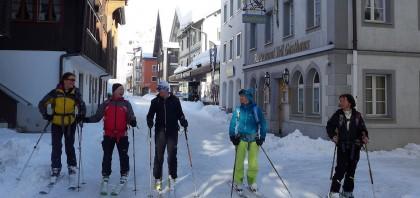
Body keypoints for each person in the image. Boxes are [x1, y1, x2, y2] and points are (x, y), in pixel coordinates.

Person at [84, 83, 137, 187]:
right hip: (108, 134)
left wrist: (132, 121)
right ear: (114, 91)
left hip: (122, 135)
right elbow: (97, 117)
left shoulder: (126, 104)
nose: (122, 91)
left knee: (123, 155)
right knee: (107, 156)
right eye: (120, 89)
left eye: (123, 89)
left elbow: (131, 116)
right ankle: (105, 174)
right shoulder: (106, 104)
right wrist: (85, 119)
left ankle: (124, 173)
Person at [38, 72, 86, 183]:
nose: (72, 82)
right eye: (70, 79)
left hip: (70, 123)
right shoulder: (55, 93)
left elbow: (82, 105)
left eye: (74, 80)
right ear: (64, 80)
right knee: (56, 146)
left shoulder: (75, 93)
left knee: (69, 146)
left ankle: (72, 166)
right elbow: (42, 103)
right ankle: (56, 168)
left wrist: (81, 116)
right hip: (56, 123)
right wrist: (46, 115)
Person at [146, 81, 188, 192]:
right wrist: (149, 121)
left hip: (172, 132)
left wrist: (183, 120)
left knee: (172, 156)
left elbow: (180, 114)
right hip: (160, 132)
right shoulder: (155, 102)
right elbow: (150, 115)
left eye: (161, 89)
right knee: (159, 156)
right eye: (158, 89)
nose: (159, 91)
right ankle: (158, 179)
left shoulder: (175, 101)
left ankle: (172, 178)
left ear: (166, 89)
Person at [326, 94, 369, 198]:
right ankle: (334, 192)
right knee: (340, 169)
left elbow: (362, 129)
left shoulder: (357, 115)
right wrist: (333, 136)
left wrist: (365, 136)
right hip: (343, 147)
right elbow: (329, 126)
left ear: (349, 102)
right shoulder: (338, 114)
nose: (340, 103)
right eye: (340, 100)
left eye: (342, 100)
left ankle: (347, 191)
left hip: (355, 148)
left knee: (351, 171)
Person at [229, 89, 267, 194]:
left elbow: (263, 124)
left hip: (254, 139)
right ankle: (238, 181)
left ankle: (252, 182)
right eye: (240, 96)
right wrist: (232, 136)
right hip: (241, 139)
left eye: (243, 96)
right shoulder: (238, 109)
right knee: (239, 162)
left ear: (249, 97)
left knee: (253, 163)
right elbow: (233, 123)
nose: (241, 98)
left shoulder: (256, 110)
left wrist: (262, 137)